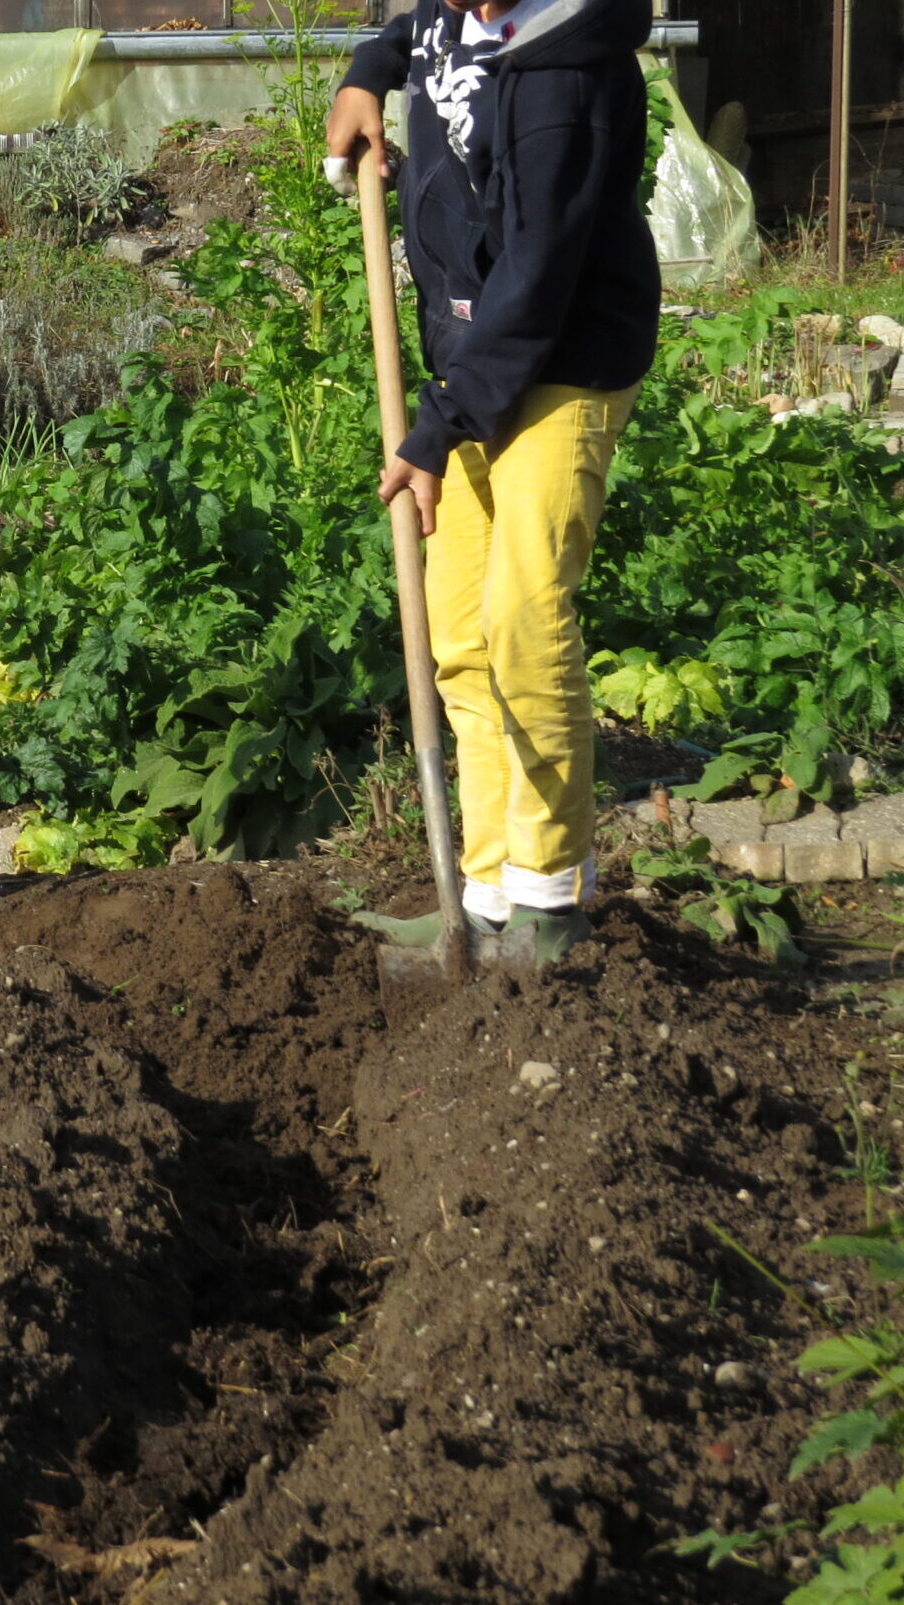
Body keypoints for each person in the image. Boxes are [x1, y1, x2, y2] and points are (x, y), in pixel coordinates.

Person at [328, 0, 661, 967]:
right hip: (476, 361)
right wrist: (369, 71)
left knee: (523, 615)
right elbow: (418, 31)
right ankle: (480, 898)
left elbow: (538, 279)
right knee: (461, 635)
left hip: (562, 360)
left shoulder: (565, 74)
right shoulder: (458, 11)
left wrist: (439, 427)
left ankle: (549, 902)